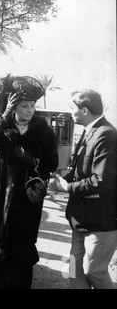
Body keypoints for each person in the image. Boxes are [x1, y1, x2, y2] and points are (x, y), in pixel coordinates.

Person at [0, 75, 58, 289]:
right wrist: (3, 116)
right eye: (24, 106)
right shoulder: (3, 125)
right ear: (13, 106)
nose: (30, 110)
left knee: (20, 248)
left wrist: (30, 159)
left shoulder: (43, 129)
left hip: (25, 200)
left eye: (32, 105)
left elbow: (52, 163)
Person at [49, 89, 117, 289]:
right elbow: (80, 170)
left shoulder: (107, 134)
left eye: (73, 109)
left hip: (101, 221)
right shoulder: (90, 131)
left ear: (85, 110)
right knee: (73, 268)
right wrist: (60, 180)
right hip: (81, 219)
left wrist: (67, 187)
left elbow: (101, 180)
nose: (71, 113)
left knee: (94, 271)